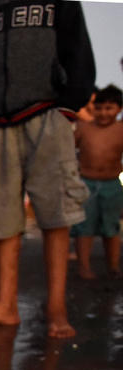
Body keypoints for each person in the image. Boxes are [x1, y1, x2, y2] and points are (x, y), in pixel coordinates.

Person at [0, 0, 95, 338]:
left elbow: (78, 51)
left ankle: (56, 309)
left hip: (46, 113)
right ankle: (6, 305)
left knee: (55, 213)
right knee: (2, 218)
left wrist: (68, 105)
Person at [71, 84, 123, 279]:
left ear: (119, 109)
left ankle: (113, 266)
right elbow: (68, 149)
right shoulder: (84, 129)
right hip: (86, 183)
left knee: (111, 228)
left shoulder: (120, 130)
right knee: (85, 228)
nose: (103, 113)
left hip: (112, 184)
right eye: (99, 108)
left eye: (109, 108)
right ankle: (84, 266)